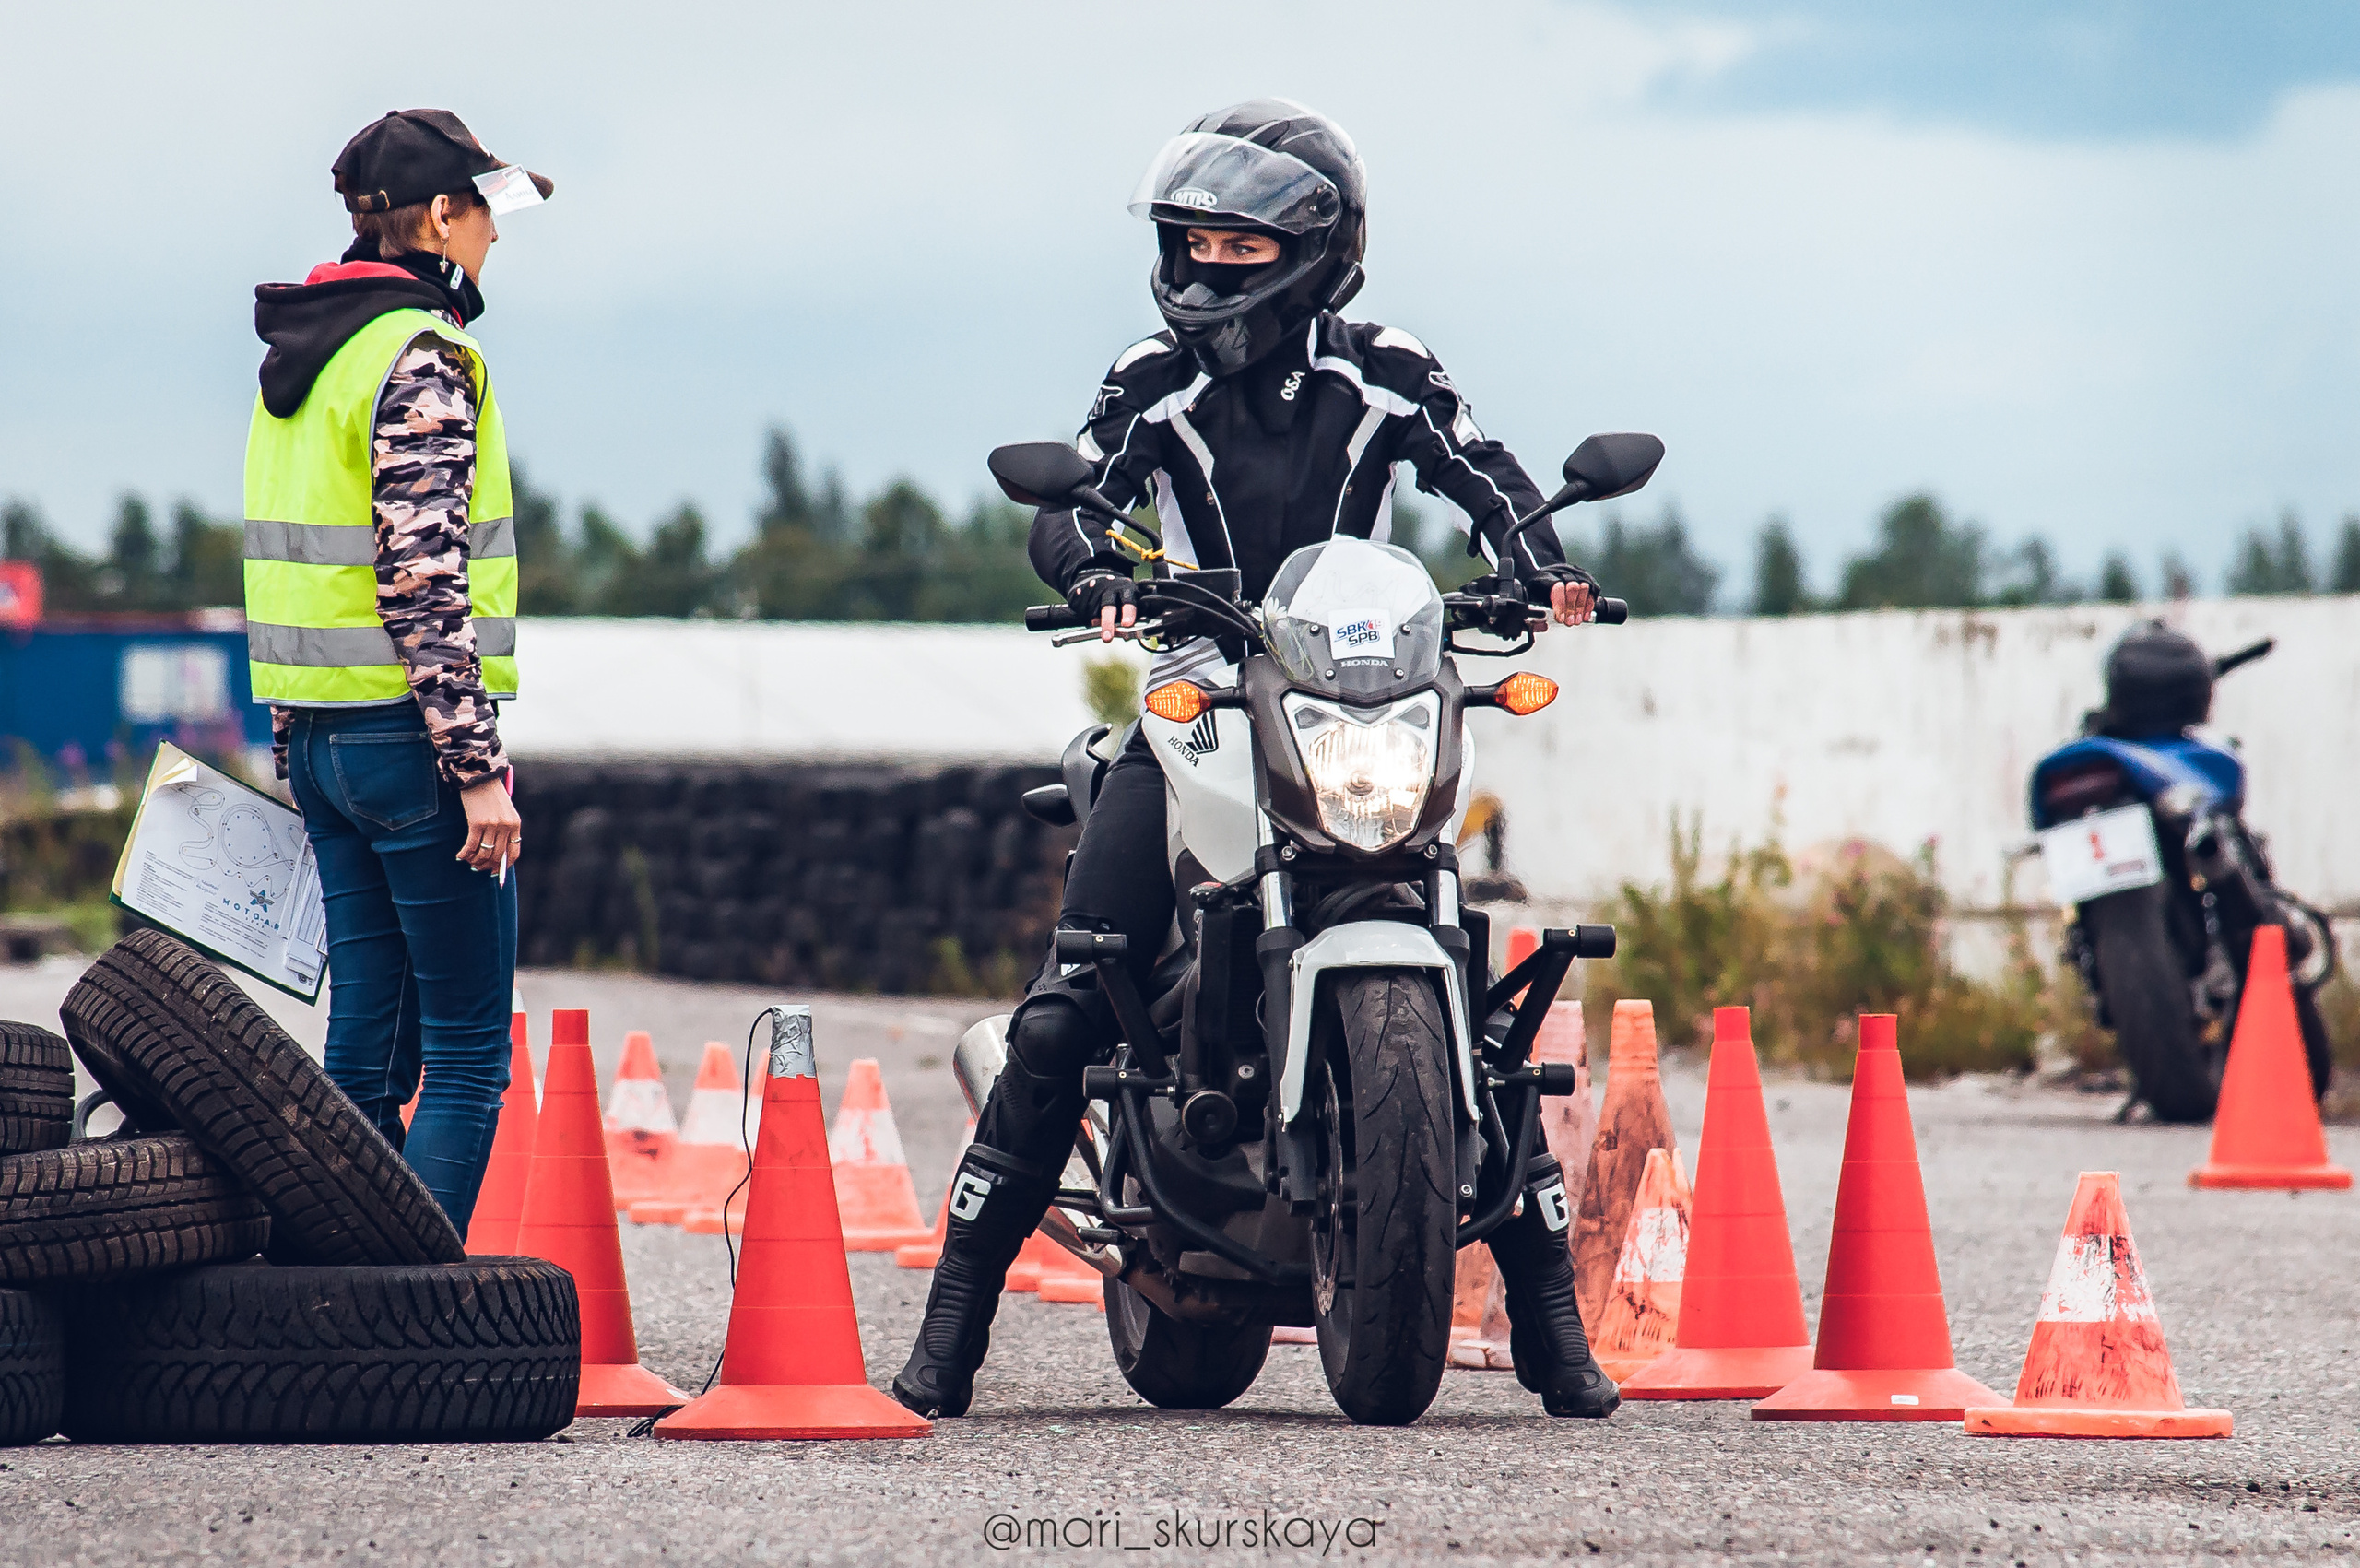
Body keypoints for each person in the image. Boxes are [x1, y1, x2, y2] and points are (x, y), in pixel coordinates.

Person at [896, 99, 1615, 1421]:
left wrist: (1541, 558)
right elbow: (1071, 504)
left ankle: (1553, 1325)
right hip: (1195, 700)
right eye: (1194, 239)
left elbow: (1483, 468)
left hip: (1362, 685)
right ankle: (951, 1326)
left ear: (1311, 245)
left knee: (1479, 987)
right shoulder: (1147, 379)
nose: (1207, 264)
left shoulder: (1383, 368)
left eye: (1235, 242)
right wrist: (1102, 574)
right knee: (1069, 1001)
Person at [243, 109, 550, 1236]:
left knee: (364, 1045)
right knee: (469, 1057)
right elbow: (421, 579)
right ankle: (404, 1317)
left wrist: (293, 738)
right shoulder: (421, 353)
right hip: (410, 745)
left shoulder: (305, 359)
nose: (494, 240)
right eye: (483, 213)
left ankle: (326, 1294)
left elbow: (293, 570)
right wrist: (476, 768)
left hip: (321, 741)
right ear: (437, 216)